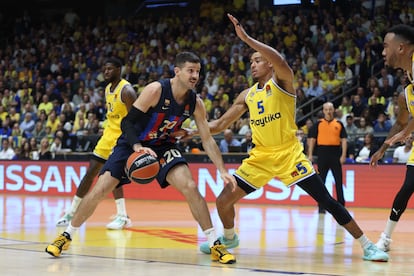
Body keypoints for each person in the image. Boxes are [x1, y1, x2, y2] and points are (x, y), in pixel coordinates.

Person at [196, 13, 388, 262]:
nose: (253, 64)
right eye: (251, 61)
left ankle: (367, 245)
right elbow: (219, 124)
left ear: (270, 64)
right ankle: (230, 237)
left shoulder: (283, 82)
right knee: (223, 200)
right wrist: (192, 130)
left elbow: (280, 59)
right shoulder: (247, 95)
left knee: (327, 201)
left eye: (258, 60)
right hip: (261, 157)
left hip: (289, 154)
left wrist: (246, 38)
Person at [45, 52, 237, 264]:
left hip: (163, 145)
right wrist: (137, 147)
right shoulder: (156, 90)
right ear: (177, 71)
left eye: (198, 72)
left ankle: (214, 243)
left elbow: (207, 139)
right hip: (132, 143)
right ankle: (67, 235)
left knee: (190, 186)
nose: (195, 76)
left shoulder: (195, 102)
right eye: (190, 71)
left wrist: (222, 169)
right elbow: (127, 123)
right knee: (100, 188)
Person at [55, 58, 136, 230]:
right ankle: (71, 212)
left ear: (118, 69)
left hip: (121, 138)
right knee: (91, 171)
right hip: (107, 135)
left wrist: (133, 142)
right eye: (104, 69)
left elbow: (135, 119)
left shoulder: (127, 90)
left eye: (109, 69)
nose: (106, 72)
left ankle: (123, 216)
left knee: (113, 177)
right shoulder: (107, 89)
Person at [369, 24, 414, 252]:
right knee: (408, 187)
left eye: (386, 46)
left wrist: (407, 132)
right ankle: (386, 238)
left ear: (402, 47)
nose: (383, 52)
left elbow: (405, 127)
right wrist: (383, 148)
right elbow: (400, 122)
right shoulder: (407, 89)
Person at [307, 102, 347, 213]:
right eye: (326, 109)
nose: (328, 111)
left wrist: (343, 155)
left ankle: (341, 205)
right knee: (321, 182)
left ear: (333, 110)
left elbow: (344, 140)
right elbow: (312, 140)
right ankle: (321, 206)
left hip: (335, 154)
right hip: (322, 154)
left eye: (330, 109)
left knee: (338, 181)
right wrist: (310, 154)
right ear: (323, 111)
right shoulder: (318, 124)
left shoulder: (339, 123)